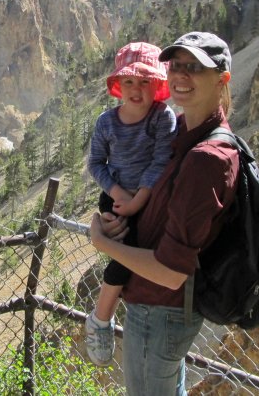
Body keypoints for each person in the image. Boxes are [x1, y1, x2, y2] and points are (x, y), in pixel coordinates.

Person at [89, 32, 239, 395]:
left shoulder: (206, 155)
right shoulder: (185, 129)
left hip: (163, 306)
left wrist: (101, 241)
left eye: (196, 68)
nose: (182, 75)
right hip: (156, 303)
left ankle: (100, 319)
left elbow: (171, 272)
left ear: (222, 79)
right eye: (178, 65)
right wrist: (112, 211)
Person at [85, 42, 177, 366]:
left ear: (156, 84)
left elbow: (160, 160)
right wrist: (119, 194)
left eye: (144, 81)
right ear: (117, 85)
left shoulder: (162, 118)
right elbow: (96, 163)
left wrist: (139, 199)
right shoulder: (106, 122)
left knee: (131, 252)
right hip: (116, 196)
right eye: (129, 81)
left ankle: (101, 316)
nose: (136, 89)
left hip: (146, 199)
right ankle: (102, 319)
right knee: (127, 253)